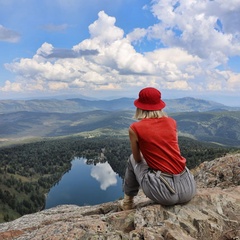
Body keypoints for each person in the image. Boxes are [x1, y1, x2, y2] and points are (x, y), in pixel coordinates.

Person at [121, 87, 196, 210]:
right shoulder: (172, 122)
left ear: (139, 106)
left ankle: (128, 203)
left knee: (131, 159)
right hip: (188, 188)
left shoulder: (135, 128)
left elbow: (137, 158)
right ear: (160, 105)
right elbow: (173, 151)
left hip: (164, 192)